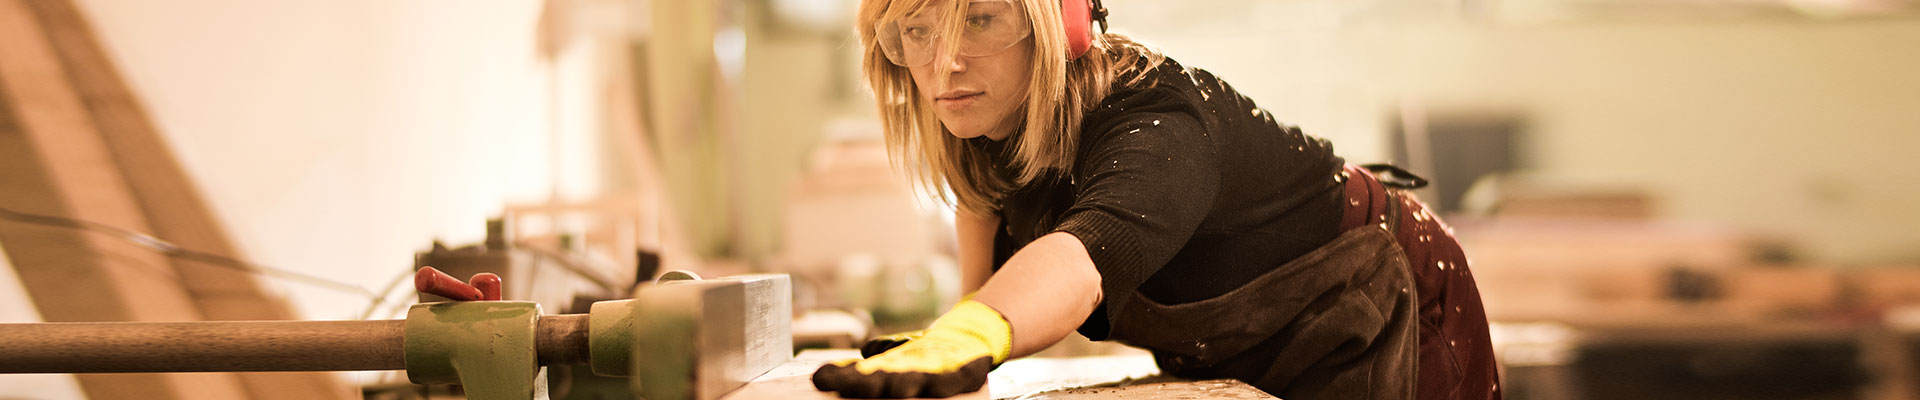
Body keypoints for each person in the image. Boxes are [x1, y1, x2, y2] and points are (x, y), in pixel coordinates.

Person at [810, 0, 1501, 399]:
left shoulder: (1152, 114)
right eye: (918, 32)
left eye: (981, 19)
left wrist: (972, 333)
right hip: (1244, 352)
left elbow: (1086, 258)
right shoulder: (985, 123)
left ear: (1061, 24)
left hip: (1387, 296)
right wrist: (958, 349)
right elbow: (984, 265)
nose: (943, 63)